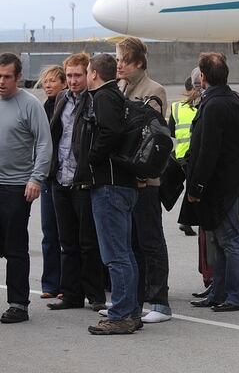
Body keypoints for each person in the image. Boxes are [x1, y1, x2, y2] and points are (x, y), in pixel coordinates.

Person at [187, 52, 239, 312]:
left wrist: (196, 186)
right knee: (222, 240)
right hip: (231, 180)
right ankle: (220, 291)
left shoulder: (214, 105)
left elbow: (208, 150)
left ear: (203, 76)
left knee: (229, 240)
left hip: (219, 183)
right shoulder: (233, 99)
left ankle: (236, 295)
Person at [116, 37, 173, 324]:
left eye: (124, 59)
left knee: (151, 240)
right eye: (117, 59)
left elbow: (152, 136)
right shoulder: (122, 87)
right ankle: (134, 301)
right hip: (126, 178)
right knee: (132, 242)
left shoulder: (155, 90)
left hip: (146, 180)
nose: (119, 64)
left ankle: (160, 301)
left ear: (139, 62)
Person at [82, 53, 139, 334]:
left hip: (110, 185)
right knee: (124, 252)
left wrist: (91, 158)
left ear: (94, 74)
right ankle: (131, 310)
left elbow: (110, 132)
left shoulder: (104, 97)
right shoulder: (117, 95)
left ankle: (120, 315)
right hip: (123, 184)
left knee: (115, 254)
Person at [46, 54, 106, 313]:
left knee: (87, 242)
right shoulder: (61, 99)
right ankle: (71, 294)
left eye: (77, 75)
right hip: (61, 178)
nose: (72, 80)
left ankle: (95, 294)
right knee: (66, 242)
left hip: (82, 179)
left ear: (88, 74)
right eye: (69, 76)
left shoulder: (94, 101)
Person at [0, 53, 52, 324]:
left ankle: (18, 304)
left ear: (18, 77)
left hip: (17, 186)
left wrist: (36, 179)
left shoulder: (30, 105)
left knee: (15, 247)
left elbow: (44, 144)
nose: (1, 81)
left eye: (7, 76)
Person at [38, 65, 65, 300]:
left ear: (64, 84)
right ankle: (50, 283)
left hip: (63, 177)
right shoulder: (42, 108)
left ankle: (67, 283)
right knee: (49, 233)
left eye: (53, 81)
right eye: (45, 81)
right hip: (47, 177)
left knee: (66, 233)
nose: (48, 85)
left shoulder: (66, 107)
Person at [170, 75, 199, 236]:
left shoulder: (176, 107)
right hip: (193, 154)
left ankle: (186, 222)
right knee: (193, 188)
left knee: (190, 186)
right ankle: (186, 221)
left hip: (180, 155)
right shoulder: (201, 107)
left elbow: (171, 131)